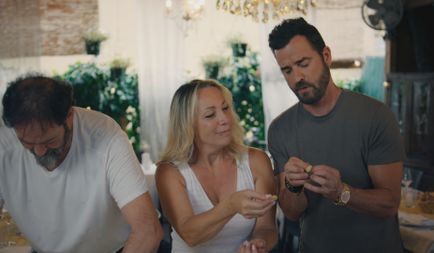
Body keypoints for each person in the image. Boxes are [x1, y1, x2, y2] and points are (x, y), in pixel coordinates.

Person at [267, 18, 405, 253]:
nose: (297, 77)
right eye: (287, 70)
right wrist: (292, 186)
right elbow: (291, 211)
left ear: (327, 56)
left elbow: (389, 204)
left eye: (303, 63)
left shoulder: (375, 116)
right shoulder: (280, 129)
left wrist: (341, 192)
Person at [0, 75, 163, 253]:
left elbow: (148, 232)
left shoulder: (107, 137)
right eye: (27, 143)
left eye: (49, 141)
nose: (39, 151)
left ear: (70, 115)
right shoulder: (0, 149)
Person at [155, 79, 278, 253]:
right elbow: (190, 234)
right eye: (210, 115)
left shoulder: (256, 161)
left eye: (225, 108)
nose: (225, 119)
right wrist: (231, 205)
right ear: (188, 125)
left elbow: (267, 227)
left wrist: (258, 244)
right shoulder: (170, 172)